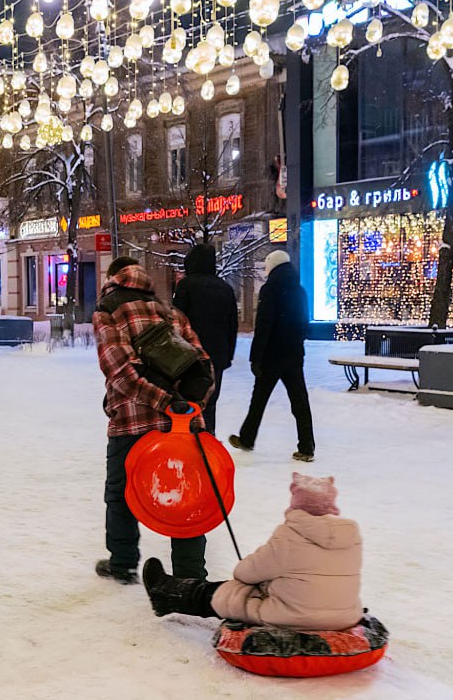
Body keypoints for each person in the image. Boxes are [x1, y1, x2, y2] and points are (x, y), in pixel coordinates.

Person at [93, 256, 214, 585]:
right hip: (183, 427)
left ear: (112, 279)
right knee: (186, 497)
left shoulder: (108, 311)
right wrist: (188, 406)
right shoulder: (172, 312)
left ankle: (123, 564)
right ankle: (190, 577)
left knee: (121, 494)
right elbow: (204, 367)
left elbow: (121, 373)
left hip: (131, 424)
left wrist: (163, 401)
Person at [142, 473, 364, 630]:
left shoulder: (290, 535)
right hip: (343, 617)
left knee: (230, 593)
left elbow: (245, 573)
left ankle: (165, 593)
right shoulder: (351, 536)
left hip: (291, 617)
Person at [229, 249, 315, 462]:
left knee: (259, 399)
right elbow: (305, 323)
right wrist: (296, 342)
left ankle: (247, 439)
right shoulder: (299, 290)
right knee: (299, 400)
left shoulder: (270, 290)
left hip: (271, 354)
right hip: (293, 354)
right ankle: (307, 447)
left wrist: (255, 357)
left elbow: (264, 325)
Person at [172, 243, 239, 435]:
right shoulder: (225, 288)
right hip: (216, 356)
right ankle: (208, 439)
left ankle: (189, 442)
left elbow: (176, 321)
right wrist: (227, 356)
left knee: (188, 403)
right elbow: (232, 327)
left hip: (190, 357)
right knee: (210, 402)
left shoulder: (186, 286)